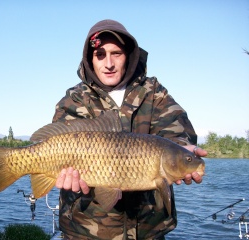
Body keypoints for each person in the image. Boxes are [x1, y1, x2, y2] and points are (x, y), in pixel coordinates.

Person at [53, 19, 207, 239]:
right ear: (90, 59)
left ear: (129, 55)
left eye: (116, 53)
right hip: (86, 230)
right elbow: (56, 141)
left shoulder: (153, 92)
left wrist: (184, 149)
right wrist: (66, 179)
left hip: (148, 229)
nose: (108, 63)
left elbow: (175, 133)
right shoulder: (75, 99)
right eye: (100, 55)